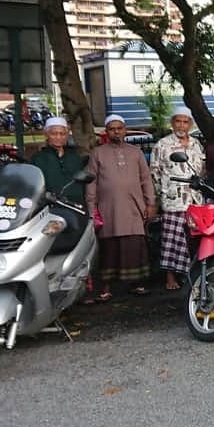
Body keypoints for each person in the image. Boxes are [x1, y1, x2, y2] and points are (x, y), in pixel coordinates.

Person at [86, 114, 156, 301]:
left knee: (135, 245)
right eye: (112, 128)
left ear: (125, 130)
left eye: (119, 128)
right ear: (106, 131)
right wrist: (92, 207)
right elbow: (91, 182)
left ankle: (137, 284)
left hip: (134, 207)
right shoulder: (97, 153)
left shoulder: (136, 152)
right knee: (109, 247)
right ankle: (106, 288)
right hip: (108, 209)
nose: (116, 132)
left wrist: (150, 203)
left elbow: (146, 179)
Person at [150, 107, 205, 291]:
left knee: (194, 239)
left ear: (190, 124)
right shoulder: (162, 145)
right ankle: (170, 276)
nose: (181, 125)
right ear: (172, 123)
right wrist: (160, 197)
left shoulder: (196, 144)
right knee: (172, 239)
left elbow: (202, 169)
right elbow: (155, 173)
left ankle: (192, 274)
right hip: (173, 200)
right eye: (178, 121)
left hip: (194, 199)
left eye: (185, 122)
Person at [30, 116, 86, 204]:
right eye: (54, 134)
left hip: (75, 205)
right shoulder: (38, 158)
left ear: (67, 135)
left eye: (62, 134)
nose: (58, 137)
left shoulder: (75, 156)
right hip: (49, 205)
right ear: (46, 135)